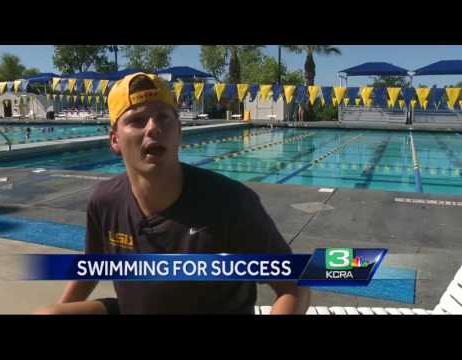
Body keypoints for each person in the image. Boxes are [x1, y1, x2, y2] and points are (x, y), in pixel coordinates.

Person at [33, 72, 310, 315]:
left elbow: (294, 287)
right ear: (115, 139)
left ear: (178, 131)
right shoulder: (105, 201)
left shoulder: (230, 203)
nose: (153, 127)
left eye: (163, 117)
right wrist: (63, 307)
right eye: (138, 120)